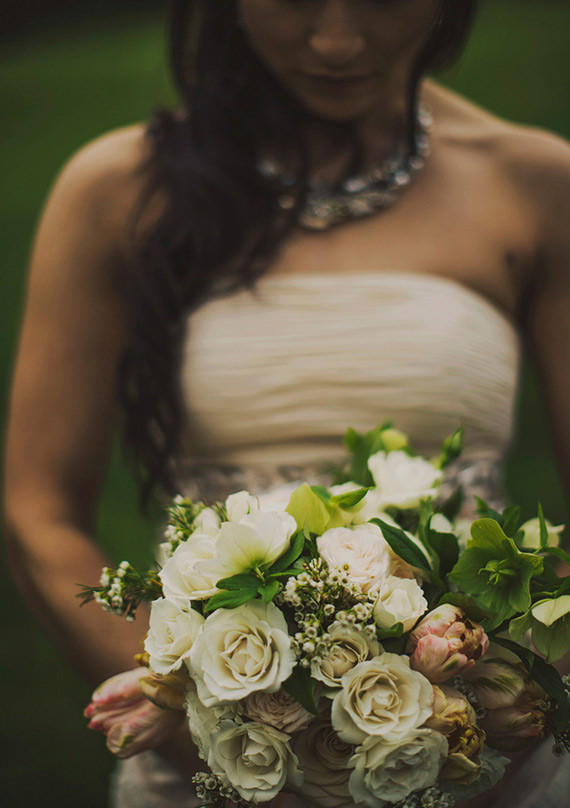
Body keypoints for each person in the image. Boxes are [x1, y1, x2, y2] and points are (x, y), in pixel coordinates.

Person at [3, 1, 570, 807]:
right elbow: (39, 508)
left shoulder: (534, 183)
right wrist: (202, 720)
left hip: (484, 757)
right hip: (221, 756)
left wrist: (506, 704)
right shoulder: (118, 190)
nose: (337, 40)